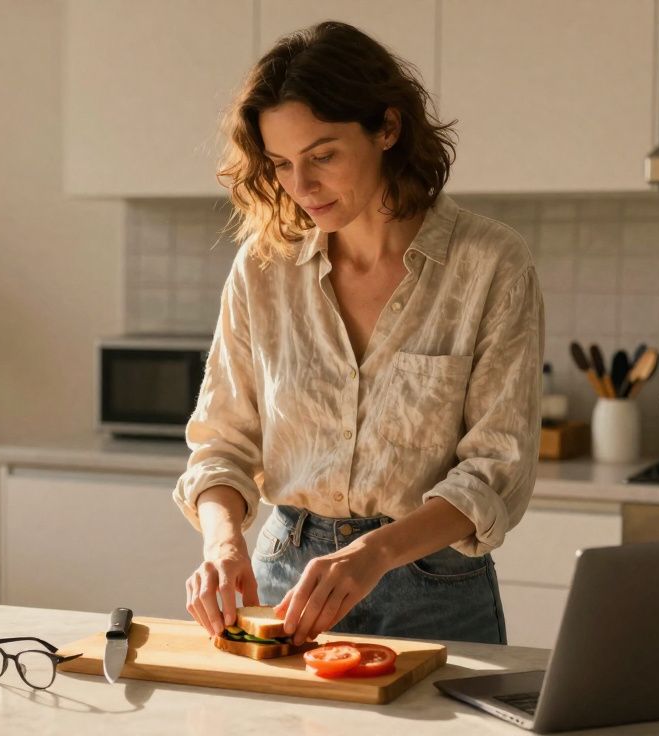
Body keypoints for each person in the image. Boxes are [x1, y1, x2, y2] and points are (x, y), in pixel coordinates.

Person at [171, 21, 543, 647]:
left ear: (388, 129)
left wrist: (374, 553)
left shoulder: (490, 265)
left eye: (322, 155)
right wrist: (223, 540)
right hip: (283, 578)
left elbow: (494, 471)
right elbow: (222, 444)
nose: (302, 187)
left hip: (437, 589)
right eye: (282, 163)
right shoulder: (264, 267)